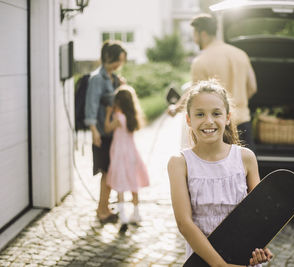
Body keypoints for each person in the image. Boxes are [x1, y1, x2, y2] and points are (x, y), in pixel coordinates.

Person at [167, 80, 273, 266]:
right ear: (189, 120)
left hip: (243, 258)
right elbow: (184, 223)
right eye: (200, 114)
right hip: (203, 260)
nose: (209, 121)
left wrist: (261, 247)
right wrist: (219, 265)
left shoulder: (246, 158)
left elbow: (259, 215)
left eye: (216, 113)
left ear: (228, 117)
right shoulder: (179, 163)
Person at [168, 13, 257, 151]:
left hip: (217, 129)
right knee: (246, 169)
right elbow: (252, 87)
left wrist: (175, 108)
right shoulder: (240, 54)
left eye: (195, 34)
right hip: (243, 124)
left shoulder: (201, 61)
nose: (194, 39)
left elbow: (194, 94)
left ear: (202, 34)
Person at [84, 40, 127, 223]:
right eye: (119, 60)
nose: (120, 64)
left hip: (112, 134)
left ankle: (104, 207)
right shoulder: (97, 79)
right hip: (102, 134)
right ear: (109, 57)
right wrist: (94, 131)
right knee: (106, 172)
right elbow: (91, 107)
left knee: (109, 172)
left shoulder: (112, 78)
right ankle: (102, 211)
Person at [104, 86, 149, 224]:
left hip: (119, 154)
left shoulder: (118, 118)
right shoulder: (132, 117)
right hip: (132, 154)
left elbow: (107, 129)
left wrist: (108, 114)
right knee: (133, 183)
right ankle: (136, 213)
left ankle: (122, 216)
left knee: (120, 184)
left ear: (119, 102)